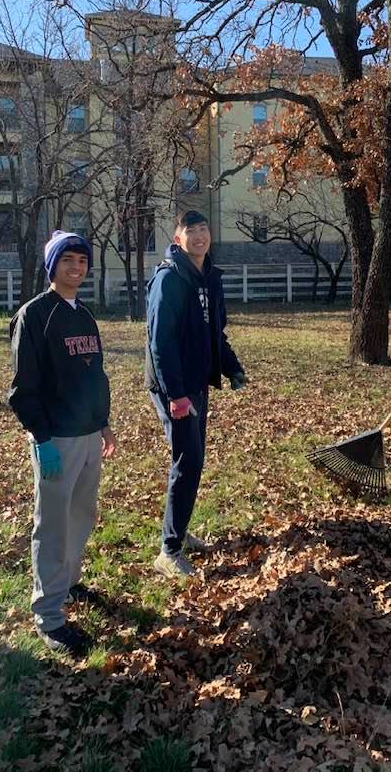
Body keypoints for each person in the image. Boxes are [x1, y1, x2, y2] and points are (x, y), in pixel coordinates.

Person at [9, 230, 116, 655]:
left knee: (81, 515)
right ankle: (49, 617)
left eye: (82, 261)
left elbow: (95, 376)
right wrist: (40, 437)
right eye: (67, 260)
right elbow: (22, 388)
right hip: (56, 440)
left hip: (89, 437)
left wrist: (103, 423)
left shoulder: (84, 315)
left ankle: (69, 585)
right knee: (52, 526)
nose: (76, 267)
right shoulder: (35, 316)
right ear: (52, 266)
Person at [145, 210, 247, 579]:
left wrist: (231, 366)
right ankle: (168, 551)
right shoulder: (169, 280)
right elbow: (160, 343)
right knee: (188, 461)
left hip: (196, 385)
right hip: (175, 388)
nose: (200, 235)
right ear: (178, 239)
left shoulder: (209, 278)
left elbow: (214, 333)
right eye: (191, 230)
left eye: (205, 228)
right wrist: (176, 395)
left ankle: (179, 529)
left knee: (191, 460)